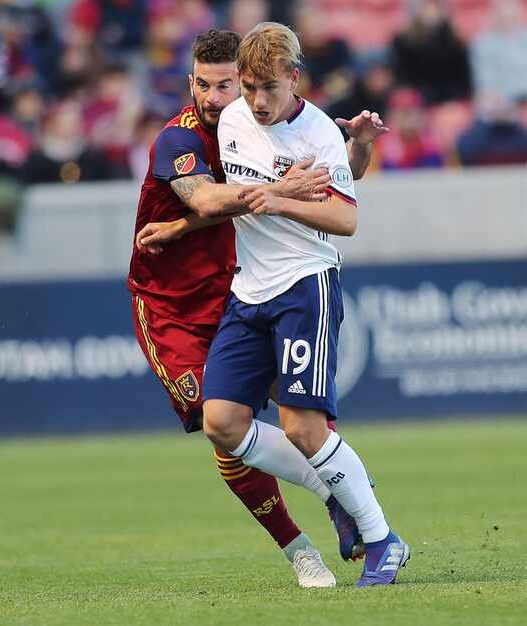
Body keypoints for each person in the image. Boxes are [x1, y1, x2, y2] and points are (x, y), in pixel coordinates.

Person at [127, 29, 386, 588]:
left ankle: (352, 507)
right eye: (205, 84)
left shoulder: (257, 121)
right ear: (190, 82)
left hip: (236, 286)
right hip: (170, 308)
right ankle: (302, 547)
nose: (215, 98)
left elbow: (338, 182)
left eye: (227, 86)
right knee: (217, 425)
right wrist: (271, 189)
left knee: (302, 415)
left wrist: (350, 151)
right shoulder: (180, 139)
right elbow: (208, 196)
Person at [194, 22, 408, 587]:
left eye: (268, 88)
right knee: (221, 421)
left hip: (303, 284)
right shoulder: (233, 118)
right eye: (247, 87)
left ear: (295, 78)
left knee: (303, 427)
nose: (257, 102)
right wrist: (275, 191)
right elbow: (228, 190)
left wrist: (278, 202)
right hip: (249, 289)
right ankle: (334, 490)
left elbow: (346, 218)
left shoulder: (317, 133)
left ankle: (384, 539)